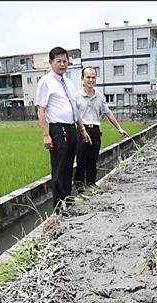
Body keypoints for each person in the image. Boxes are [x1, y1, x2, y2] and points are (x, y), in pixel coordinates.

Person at [36, 47, 91, 209]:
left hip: (71, 128)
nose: (62, 64)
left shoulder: (68, 82)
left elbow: (74, 109)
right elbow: (41, 110)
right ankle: (59, 208)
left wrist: (82, 130)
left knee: (68, 166)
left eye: (65, 61)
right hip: (58, 130)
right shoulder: (45, 82)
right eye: (58, 61)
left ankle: (67, 200)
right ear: (51, 62)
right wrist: (46, 135)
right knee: (59, 169)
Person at [74, 67, 128, 192]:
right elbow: (72, 115)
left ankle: (91, 184)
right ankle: (80, 188)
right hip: (82, 130)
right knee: (81, 160)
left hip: (95, 131)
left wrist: (119, 128)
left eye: (93, 77)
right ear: (82, 78)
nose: (91, 80)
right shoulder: (76, 96)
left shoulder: (99, 96)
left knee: (93, 159)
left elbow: (108, 113)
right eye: (88, 77)